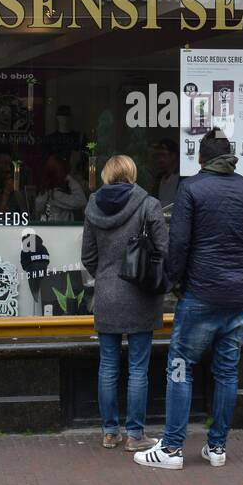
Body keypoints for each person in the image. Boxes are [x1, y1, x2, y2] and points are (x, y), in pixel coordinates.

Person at [135, 128, 243, 471]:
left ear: (201, 159)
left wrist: (174, 282)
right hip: (236, 298)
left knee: (180, 367)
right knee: (227, 372)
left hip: (200, 295)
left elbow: (178, 244)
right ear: (232, 158)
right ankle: (217, 447)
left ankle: (173, 449)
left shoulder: (191, 188)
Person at [82, 154, 169, 452]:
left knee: (107, 365)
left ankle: (109, 432)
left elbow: (88, 256)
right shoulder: (148, 204)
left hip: (106, 294)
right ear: (132, 173)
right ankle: (135, 435)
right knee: (138, 368)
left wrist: (105, 278)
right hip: (141, 294)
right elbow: (164, 249)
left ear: (107, 175)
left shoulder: (93, 206)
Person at [33, 153, 87, 222]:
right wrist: (68, 178)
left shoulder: (45, 193)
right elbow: (82, 201)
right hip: (61, 231)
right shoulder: (56, 196)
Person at [151, 138, 180, 208]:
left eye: (163, 155)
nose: (160, 159)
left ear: (174, 155)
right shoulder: (159, 178)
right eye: (157, 155)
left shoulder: (182, 178)